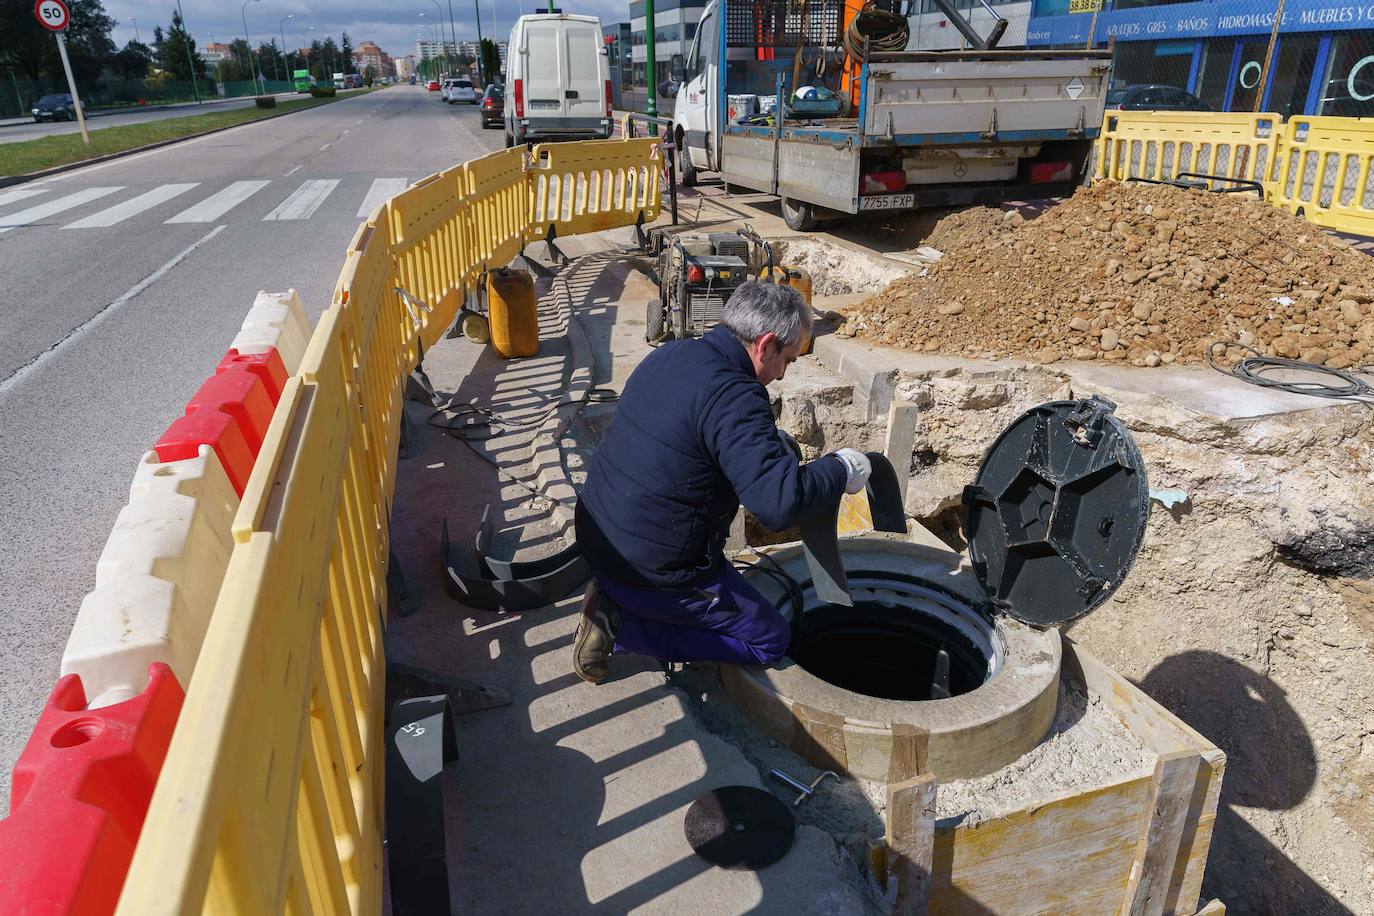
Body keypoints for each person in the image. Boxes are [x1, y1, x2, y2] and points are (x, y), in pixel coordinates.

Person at [571, 281, 872, 684]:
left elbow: (688, 437)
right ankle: (621, 624)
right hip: (652, 572)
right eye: (788, 359)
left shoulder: (673, 353)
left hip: (599, 540)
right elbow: (777, 505)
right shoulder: (737, 395)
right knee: (768, 639)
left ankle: (623, 601)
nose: (783, 374)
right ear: (765, 344)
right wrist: (839, 469)